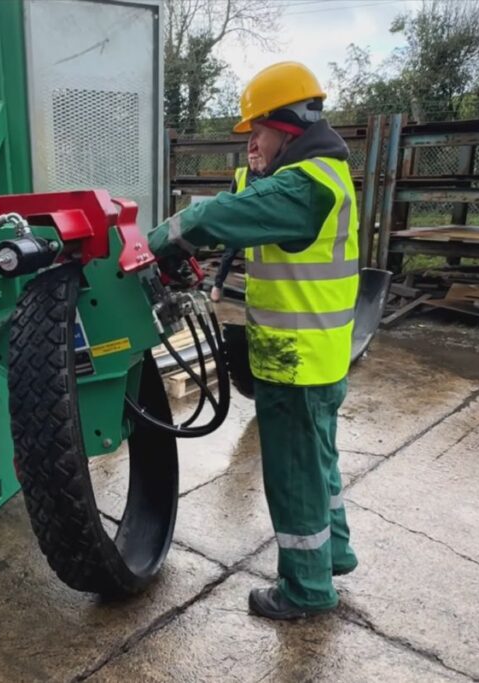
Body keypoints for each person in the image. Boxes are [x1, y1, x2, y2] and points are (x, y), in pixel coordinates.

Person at [147, 61, 360, 620]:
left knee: (293, 476)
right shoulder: (316, 173)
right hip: (319, 358)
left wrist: (160, 242)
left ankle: (306, 590)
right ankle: (334, 555)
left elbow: (222, 212)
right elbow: (246, 194)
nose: (249, 145)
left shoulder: (304, 186)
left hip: (296, 363)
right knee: (319, 464)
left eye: (257, 132)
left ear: (286, 127)